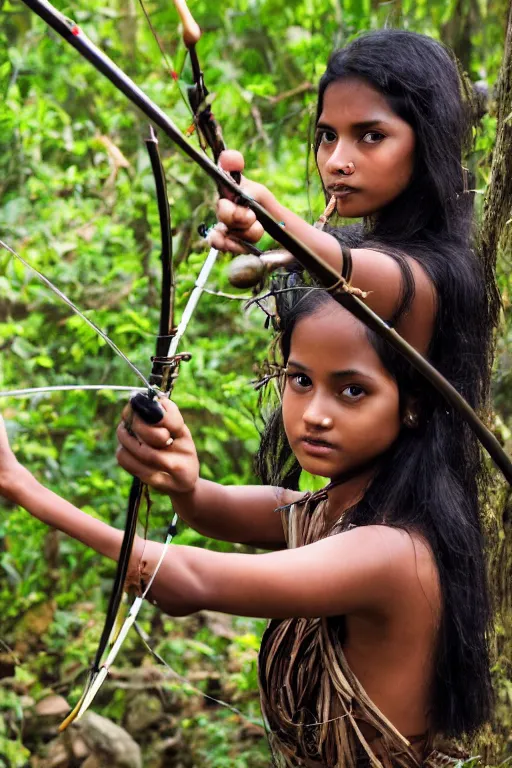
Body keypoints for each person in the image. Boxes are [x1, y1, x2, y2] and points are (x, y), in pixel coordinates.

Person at [0, 281, 492, 766]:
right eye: (301, 380)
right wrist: (184, 480)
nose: (314, 414)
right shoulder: (329, 510)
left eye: (352, 390)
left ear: (412, 405)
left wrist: (22, 485)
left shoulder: (391, 551)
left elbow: (185, 579)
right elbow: (213, 508)